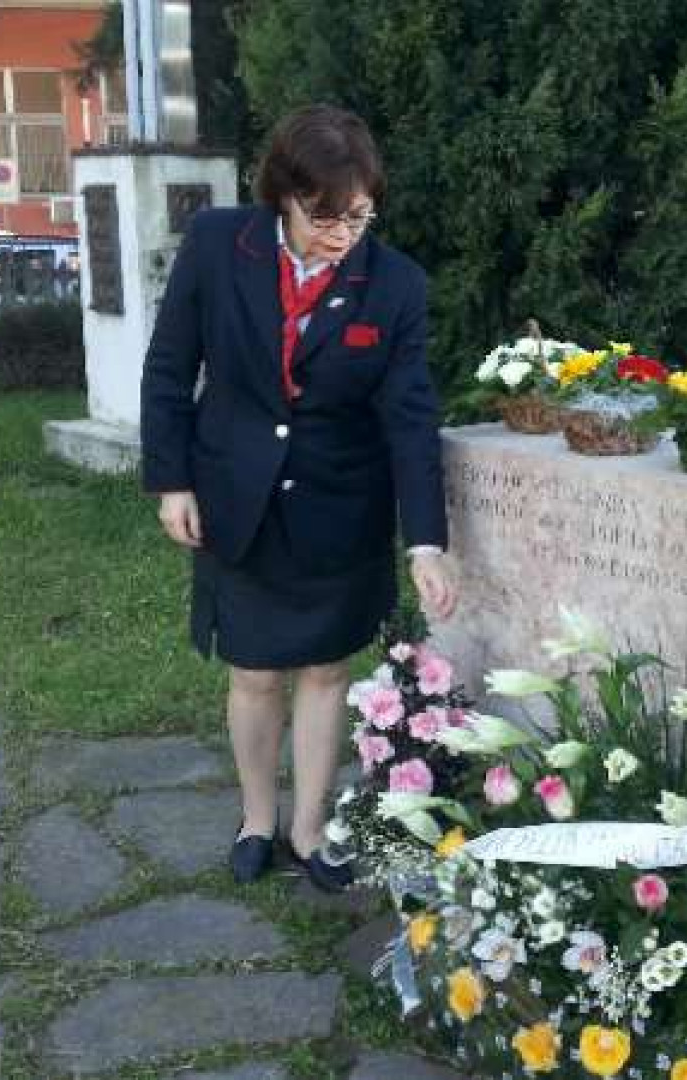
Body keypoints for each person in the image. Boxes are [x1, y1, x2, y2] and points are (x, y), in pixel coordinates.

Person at [140, 104, 457, 892]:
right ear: (283, 193)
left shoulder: (396, 286)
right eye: (324, 216)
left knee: (323, 672)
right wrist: (171, 479)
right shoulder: (218, 246)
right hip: (234, 501)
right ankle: (257, 817)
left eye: (358, 215)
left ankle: (311, 827)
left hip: (339, 509)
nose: (342, 234)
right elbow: (170, 368)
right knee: (252, 674)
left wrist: (425, 540)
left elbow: (411, 419)